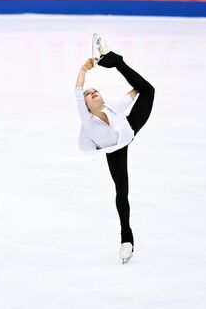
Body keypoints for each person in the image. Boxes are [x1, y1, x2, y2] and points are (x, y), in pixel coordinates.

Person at [75, 38, 155, 264]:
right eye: (89, 95)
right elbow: (78, 90)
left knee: (148, 90)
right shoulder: (88, 121)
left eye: (95, 91)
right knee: (122, 191)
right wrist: (84, 69)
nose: (92, 93)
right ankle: (126, 240)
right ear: (87, 107)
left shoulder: (112, 108)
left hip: (129, 129)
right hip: (113, 150)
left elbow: (138, 90)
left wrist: (118, 64)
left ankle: (116, 59)